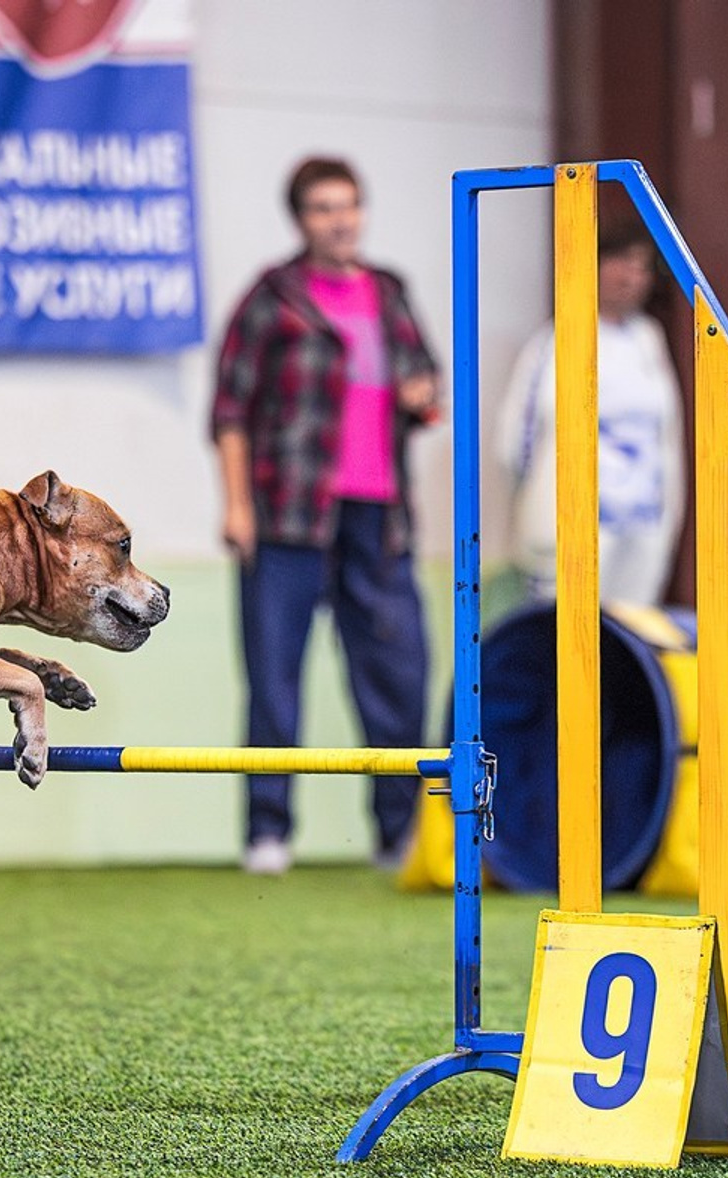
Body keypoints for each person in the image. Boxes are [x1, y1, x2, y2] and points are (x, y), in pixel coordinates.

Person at [210, 155, 440, 875]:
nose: (339, 219)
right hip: (287, 515)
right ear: (300, 220)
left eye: (349, 205)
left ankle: (398, 835)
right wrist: (237, 504)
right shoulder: (272, 297)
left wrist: (421, 393)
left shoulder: (391, 291)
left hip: (380, 515)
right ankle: (268, 833)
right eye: (321, 208)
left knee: (399, 672)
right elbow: (228, 409)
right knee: (275, 676)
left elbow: (425, 381)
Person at [498, 221, 685, 606]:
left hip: (643, 522)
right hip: (574, 524)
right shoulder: (557, 339)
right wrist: (539, 513)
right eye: (621, 262)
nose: (631, 276)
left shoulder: (649, 340)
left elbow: (667, 434)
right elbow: (516, 438)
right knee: (563, 636)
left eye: (642, 266)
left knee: (628, 640)